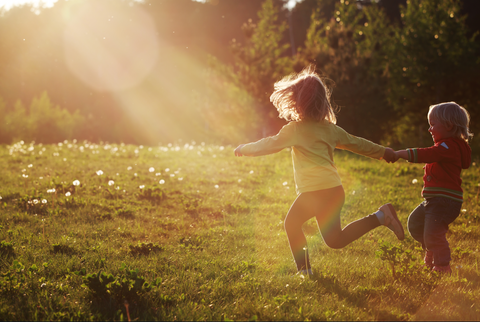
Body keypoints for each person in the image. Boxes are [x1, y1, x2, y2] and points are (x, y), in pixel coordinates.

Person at [234, 65, 404, 275]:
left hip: (315, 192)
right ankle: (380, 216)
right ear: (323, 102)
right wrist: (384, 152)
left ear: (296, 102)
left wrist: (244, 149)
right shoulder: (331, 130)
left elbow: (268, 144)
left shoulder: (294, 130)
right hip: (334, 191)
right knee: (336, 240)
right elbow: (357, 143)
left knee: (291, 224)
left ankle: (305, 271)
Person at [392, 102, 472, 274]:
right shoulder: (448, 146)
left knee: (433, 233)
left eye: (433, 124)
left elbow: (427, 154)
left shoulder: (448, 146)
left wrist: (400, 154)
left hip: (444, 201)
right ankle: (432, 250)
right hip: (436, 201)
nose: (429, 129)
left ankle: (442, 266)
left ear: (449, 126)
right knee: (415, 223)